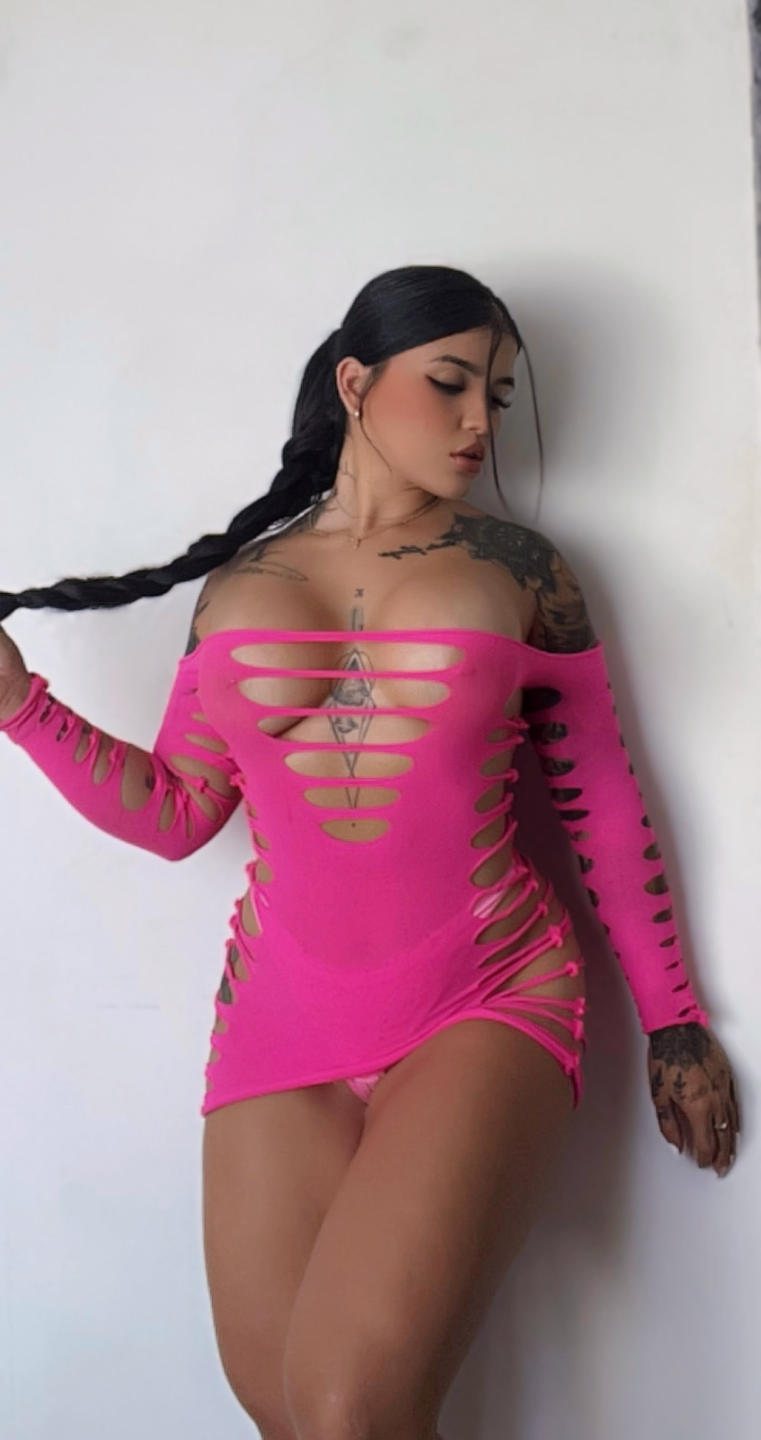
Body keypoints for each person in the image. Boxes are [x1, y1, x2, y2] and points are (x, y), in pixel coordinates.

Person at [0, 264, 740, 1440]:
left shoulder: (520, 570)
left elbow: (600, 799)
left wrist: (674, 1021)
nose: (477, 421)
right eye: (449, 383)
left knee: (350, 1406)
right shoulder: (239, 588)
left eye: (496, 395)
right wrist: (21, 707)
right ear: (354, 382)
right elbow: (178, 811)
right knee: (288, 1414)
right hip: (278, 1019)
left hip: (486, 993)